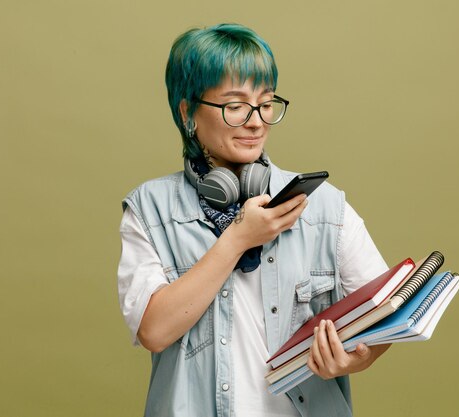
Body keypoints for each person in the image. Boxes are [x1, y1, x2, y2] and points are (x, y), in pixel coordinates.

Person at [117, 23, 391, 417]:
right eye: (235, 106)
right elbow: (155, 331)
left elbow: (384, 316)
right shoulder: (150, 210)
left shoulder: (324, 208)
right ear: (187, 111)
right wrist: (238, 238)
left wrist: (354, 360)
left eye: (264, 104)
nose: (256, 121)